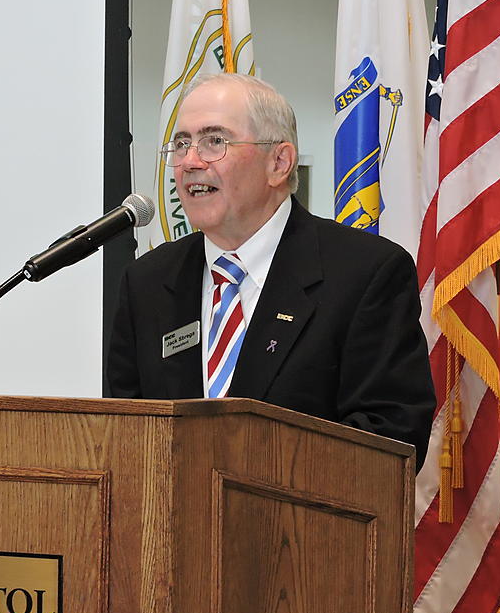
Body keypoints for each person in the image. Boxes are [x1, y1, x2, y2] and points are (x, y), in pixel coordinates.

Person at [107, 72, 435, 465]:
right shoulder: (148, 281)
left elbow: (391, 438)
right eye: (181, 143)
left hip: (303, 524)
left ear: (279, 162)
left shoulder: (365, 274)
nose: (190, 161)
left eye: (214, 141)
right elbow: (125, 434)